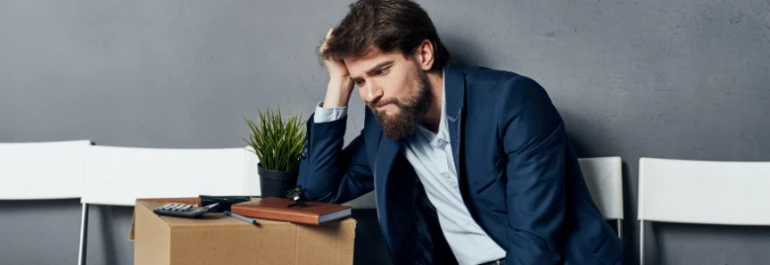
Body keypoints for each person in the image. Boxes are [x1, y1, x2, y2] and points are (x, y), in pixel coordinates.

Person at [296, 0, 623, 264]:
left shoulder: (512, 102)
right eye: (360, 80)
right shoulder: (390, 124)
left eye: (381, 71)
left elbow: (535, 247)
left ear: (424, 54)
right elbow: (319, 193)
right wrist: (339, 85)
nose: (370, 95)